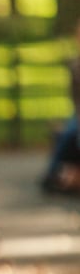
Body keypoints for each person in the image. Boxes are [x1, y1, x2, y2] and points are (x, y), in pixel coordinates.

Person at [41, 21, 80, 195]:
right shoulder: (76, 65)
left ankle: (58, 174)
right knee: (68, 133)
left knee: (70, 135)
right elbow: (76, 98)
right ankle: (58, 174)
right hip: (78, 114)